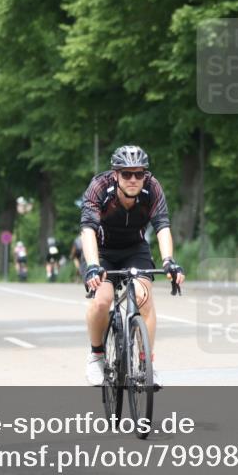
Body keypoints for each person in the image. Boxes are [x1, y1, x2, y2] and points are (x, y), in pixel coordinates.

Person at [81, 145, 185, 388]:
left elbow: (162, 226)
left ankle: (146, 364)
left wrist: (169, 261)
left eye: (138, 174)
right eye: (126, 174)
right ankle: (96, 356)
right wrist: (93, 266)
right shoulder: (99, 187)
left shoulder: (152, 188)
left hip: (135, 249)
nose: (133, 179)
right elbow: (88, 229)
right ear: (115, 174)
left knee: (143, 297)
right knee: (103, 300)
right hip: (102, 251)